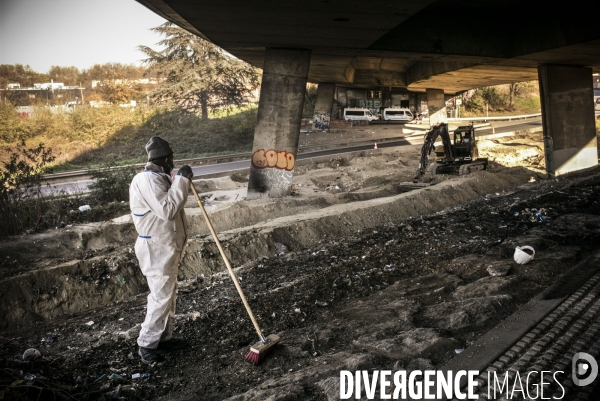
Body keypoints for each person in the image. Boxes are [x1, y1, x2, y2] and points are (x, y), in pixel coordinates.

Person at [129, 136, 194, 364]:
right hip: (155, 248)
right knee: (160, 297)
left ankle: (163, 338)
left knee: (168, 296)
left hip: (164, 246)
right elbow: (167, 209)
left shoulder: (158, 177)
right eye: (172, 159)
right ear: (165, 159)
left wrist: (178, 180)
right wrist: (182, 180)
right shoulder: (146, 180)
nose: (173, 163)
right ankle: (146, 345)